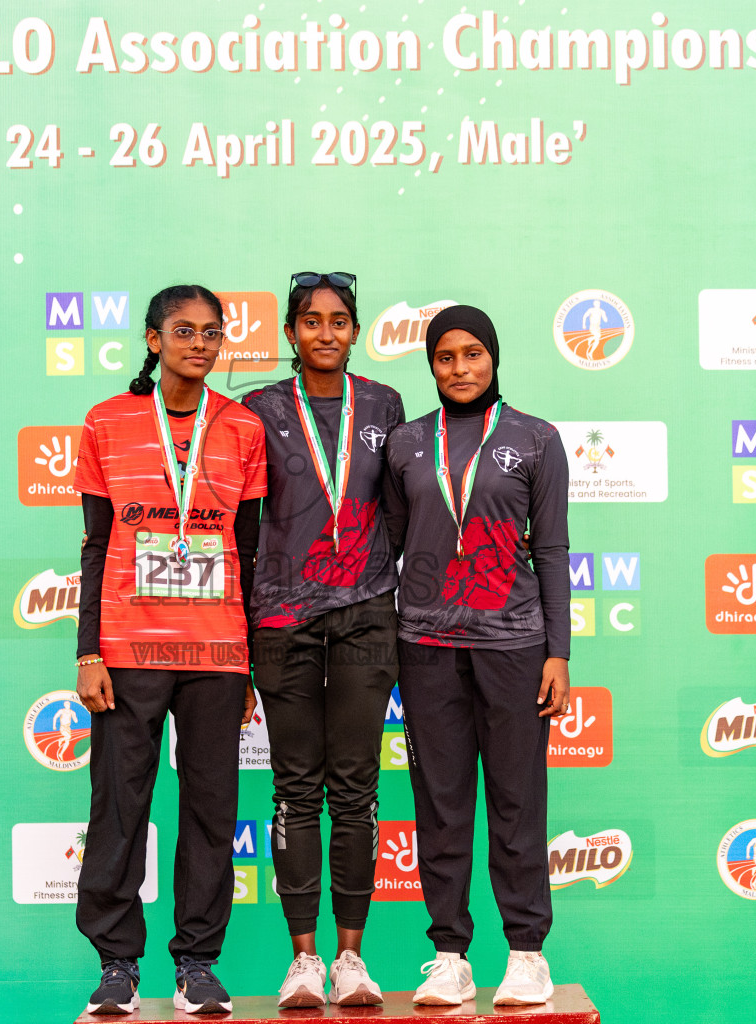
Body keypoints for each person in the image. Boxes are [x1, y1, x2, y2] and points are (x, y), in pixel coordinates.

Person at [73, 285, 268, 1016]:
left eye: (211, 333)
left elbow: (248, 556)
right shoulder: (107, 422)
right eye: (183, 331)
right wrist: (88, 651)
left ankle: (196, 965)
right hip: (127, 649)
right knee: (120, 806)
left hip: (216, 652)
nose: (199, 343)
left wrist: (246, 657)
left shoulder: (243, 427)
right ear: (153, 340)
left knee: (213, 808)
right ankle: (118, 964)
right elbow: (96, 547)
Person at [381, 304, 572, 1007]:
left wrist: (560, 652)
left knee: (518, 801)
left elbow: (551, 549)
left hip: (516, 646)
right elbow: (396, 544)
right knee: (441, 802)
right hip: (426, 644)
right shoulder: (403, 443)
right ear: (430, 365)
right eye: (445, 358)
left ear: (493, 357)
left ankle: (526, 953)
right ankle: (450, 956)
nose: (459, 369)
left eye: (472, 355)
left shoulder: (535, 438)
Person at [240, 272, 404, 1008]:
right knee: (296, 788)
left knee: (358, 789)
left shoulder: (386, 405)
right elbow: (244, 529)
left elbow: (403, 509)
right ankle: (303, 961)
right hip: (281, 616)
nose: (326, 332)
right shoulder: (258, 410)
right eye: (311, 321)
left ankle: (350, 960)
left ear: (356, 330)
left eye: (340, 320)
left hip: (368, 610)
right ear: (291, 333)